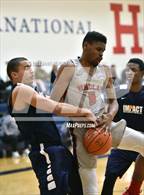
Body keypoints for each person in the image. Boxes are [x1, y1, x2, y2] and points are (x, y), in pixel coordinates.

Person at [50, 31, 144, 195]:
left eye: (103, 51)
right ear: (86, 45)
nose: (101, 54)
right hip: (81, 129)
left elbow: (113, 101)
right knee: (90, 183)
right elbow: (53, 103)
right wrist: (84, 113)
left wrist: (109, 116)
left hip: (105, 125)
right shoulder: (70, 67)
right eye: (98, 49)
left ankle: (134, 189)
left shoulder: (105, 70)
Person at [7, 57, 97, 195]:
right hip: (44, 150)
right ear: (14, 74)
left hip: (57, 147)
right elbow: (56, 107)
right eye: (26, 67)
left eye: (31, 66)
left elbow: (58, 103)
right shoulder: (20, 90)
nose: (31, 70)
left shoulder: (33, 92)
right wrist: (85, 112)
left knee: (76, 189)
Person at [101, 58, 144, 195]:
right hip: (122, 144)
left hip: (141, 143)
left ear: (142, 73)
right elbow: (109, 114)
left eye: (134, 70)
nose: (129, 72)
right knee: (109, 178)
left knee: (137, 179)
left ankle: (133, 190)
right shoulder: (119, 92)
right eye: (127, 69)